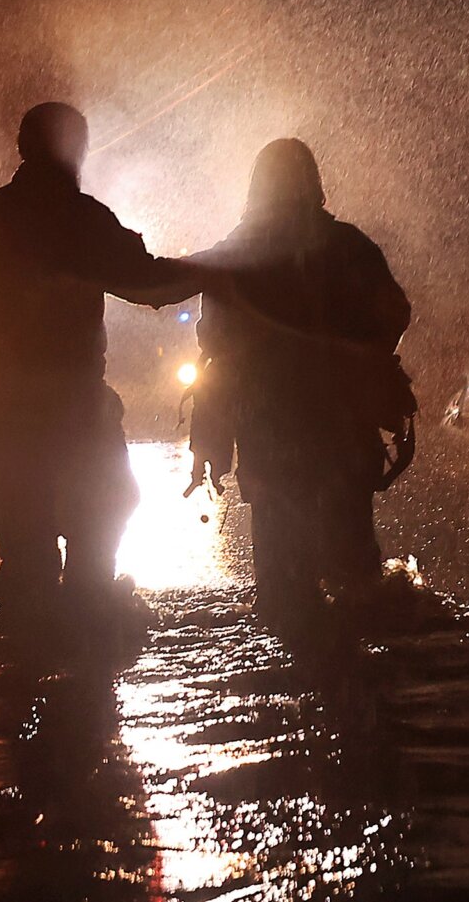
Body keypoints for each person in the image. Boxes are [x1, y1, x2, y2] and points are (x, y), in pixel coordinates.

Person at [0, 102, 193, 624]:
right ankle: (88, 652)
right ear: (78, 151)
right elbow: (150, 285)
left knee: (26, 552)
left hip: (5, 414)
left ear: (22, 149)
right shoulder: (84, 220)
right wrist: (223, 270)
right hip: (77, 408)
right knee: (101, 525)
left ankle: (25, 669)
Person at [185, 139, 414, 624]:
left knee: (283, 590)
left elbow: (217, 354)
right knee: (358, 576)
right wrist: (363, 360)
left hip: (269, 433)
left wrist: (209, 442)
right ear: (314, 181)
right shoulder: (351, 247)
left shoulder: (237, 254)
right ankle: (361, 680)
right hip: (343, 429)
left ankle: (292, 673)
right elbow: (396, 313)